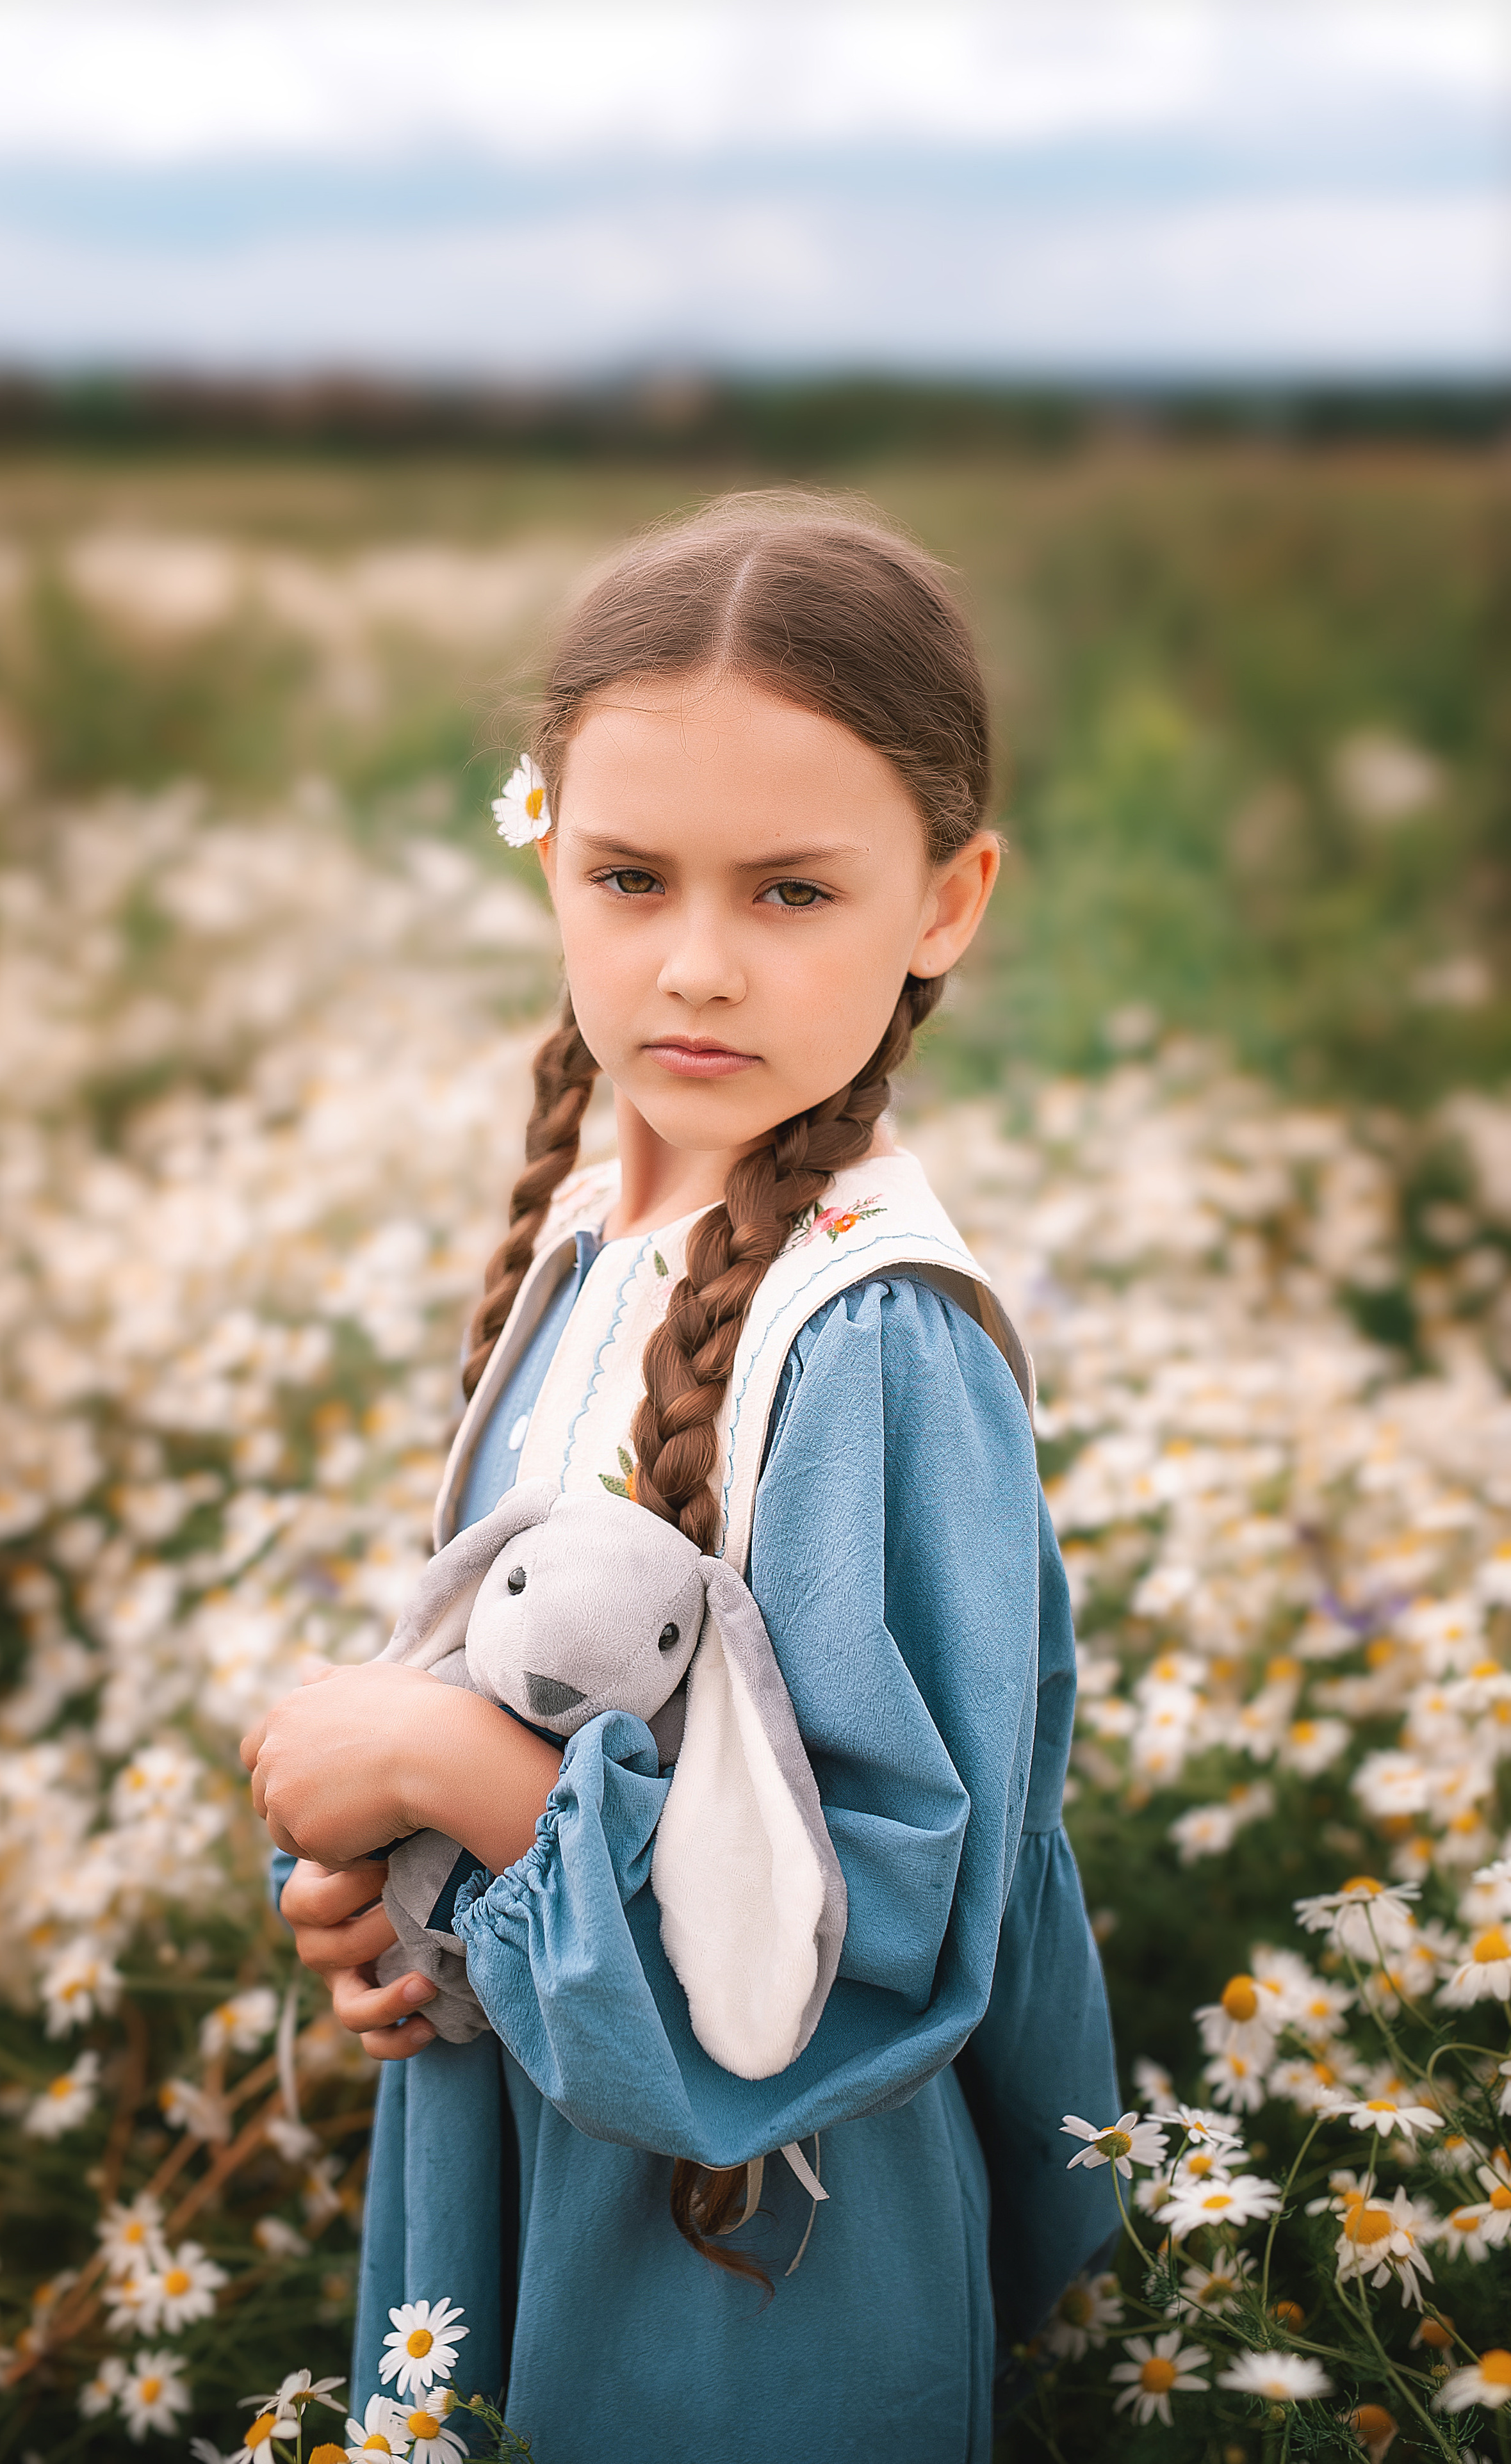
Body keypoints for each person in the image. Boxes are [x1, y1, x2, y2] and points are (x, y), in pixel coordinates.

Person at [241, 492, 1120, 2461]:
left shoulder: (873, 1339)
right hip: (529, 2141)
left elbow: (876, 1938)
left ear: (949, 901)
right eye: (631, 879)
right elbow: (544, 1684)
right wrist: (399, 1906)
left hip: (757, 2260)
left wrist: (453, 1773)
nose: (698, 967)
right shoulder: (592, 1234)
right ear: (546, 847)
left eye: (792, 892)